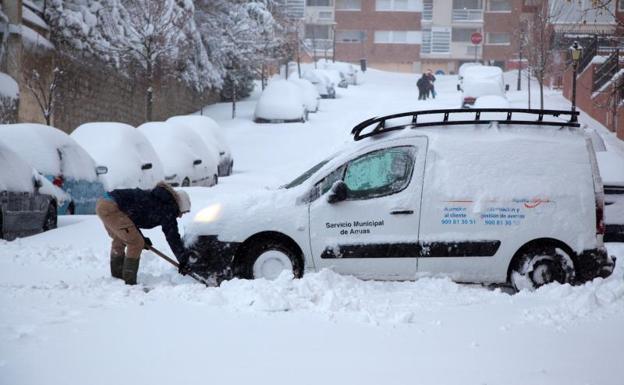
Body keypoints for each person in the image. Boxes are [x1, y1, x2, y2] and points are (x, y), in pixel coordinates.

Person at [95, 182, 194, 285]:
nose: (181, 216)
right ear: (180, 205)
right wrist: (183, 260)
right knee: (136, 243)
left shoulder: (159, 200)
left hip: (104, 202)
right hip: (112, 207)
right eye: (183, 212)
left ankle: (117, 276)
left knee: (120, 239)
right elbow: (172, 236)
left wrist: (142, 237)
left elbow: (132, 217)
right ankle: (129, 282)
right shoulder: (168, 208)